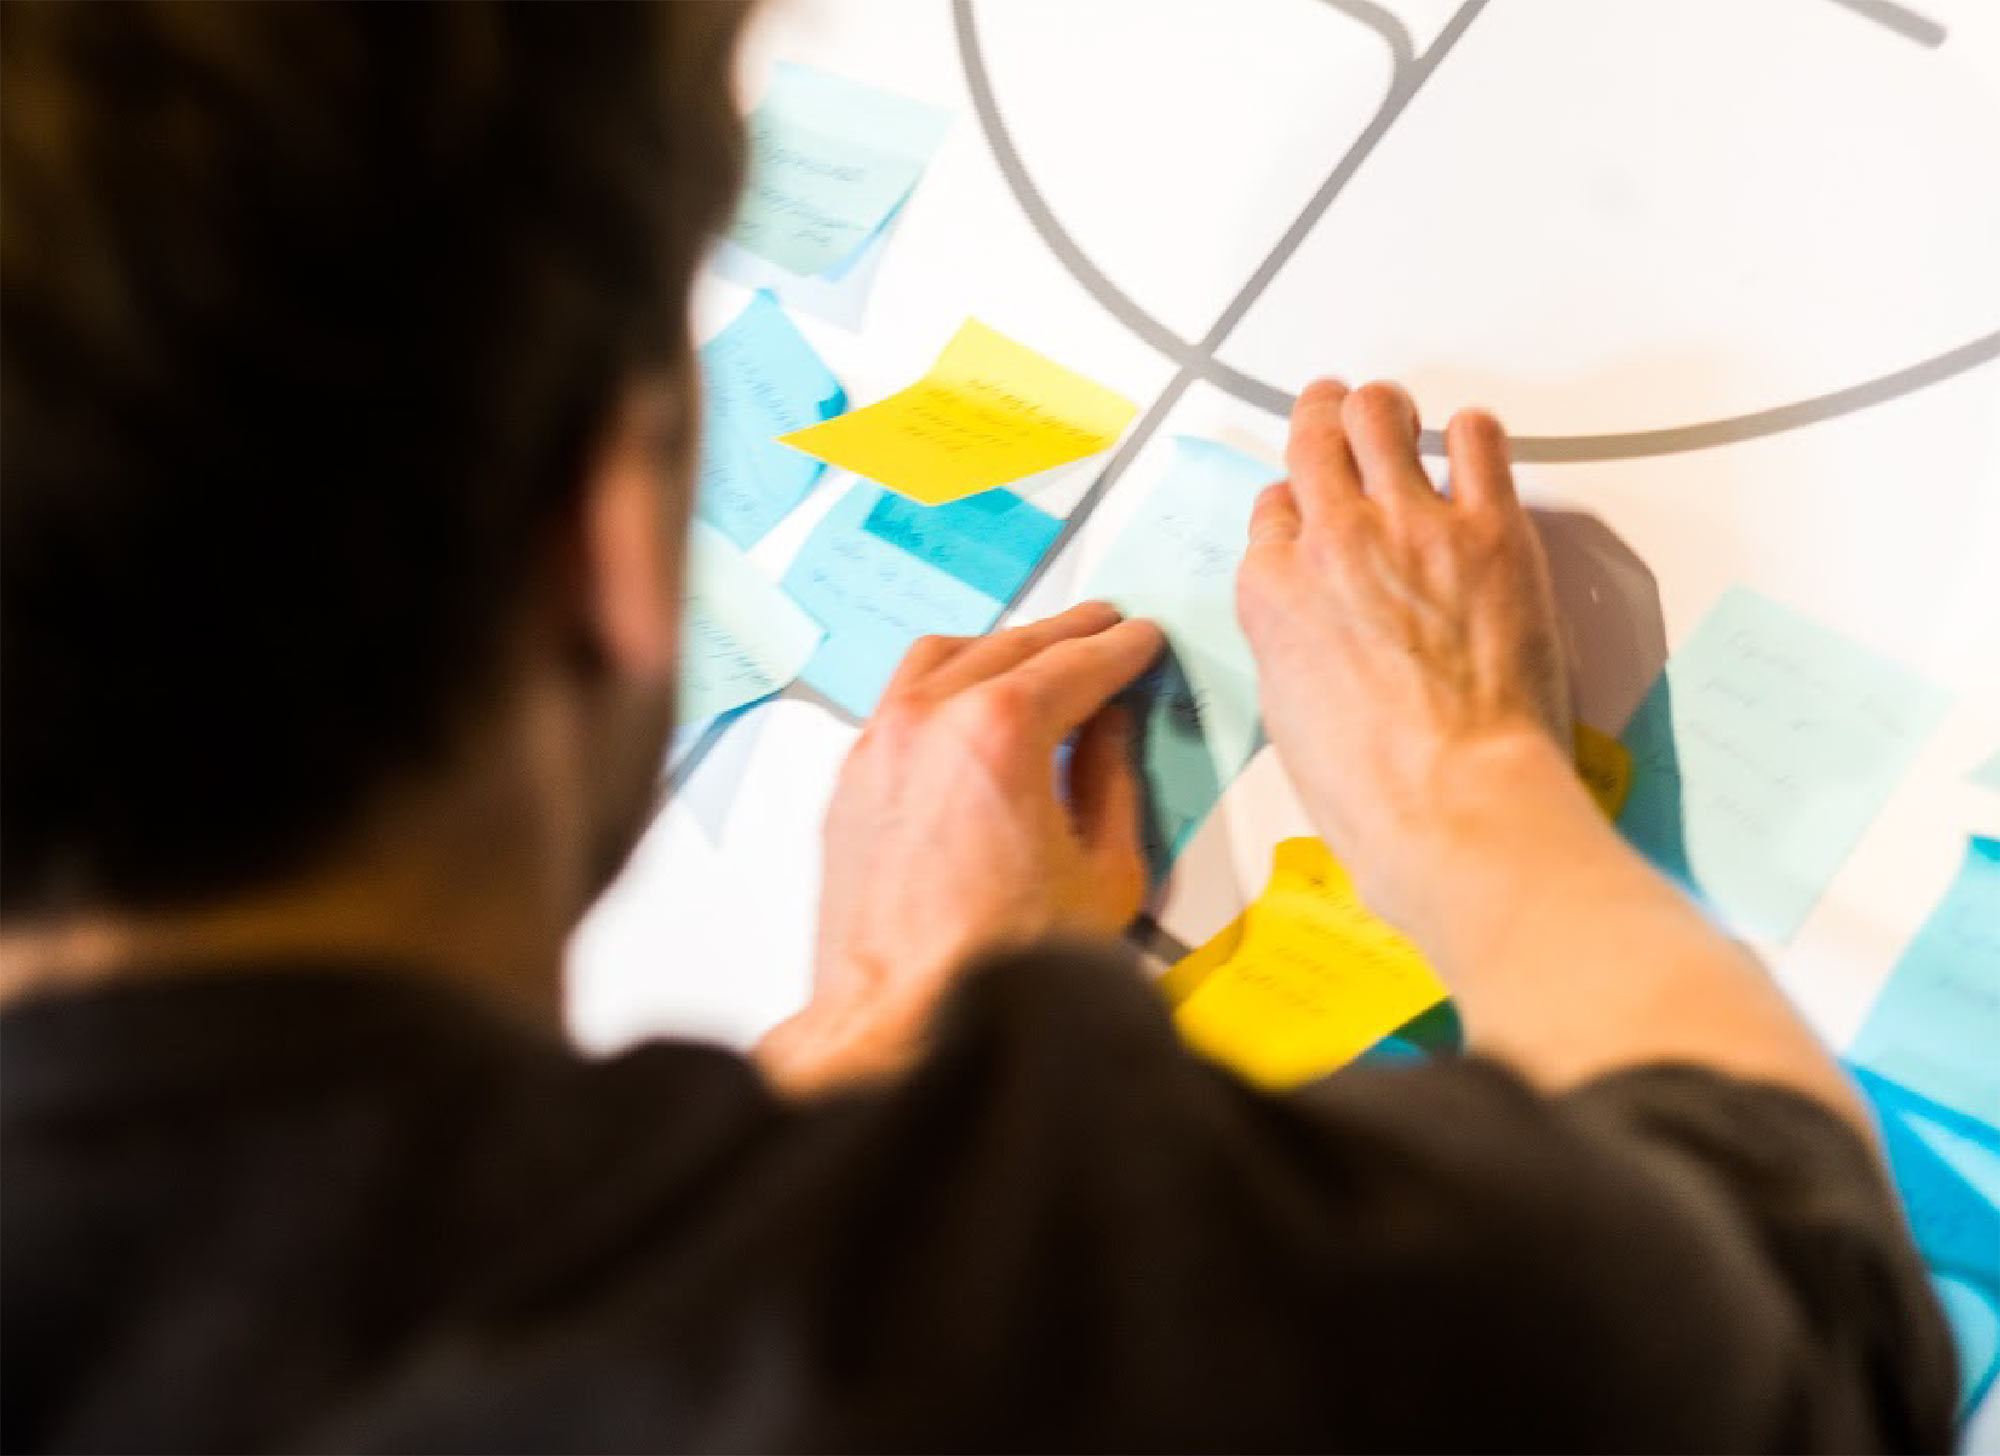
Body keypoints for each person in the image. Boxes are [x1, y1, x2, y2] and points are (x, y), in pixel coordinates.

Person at [0, 2, 1957, 1450]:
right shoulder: (967, 1341)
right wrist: (1460, 776)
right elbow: (1805, 1303)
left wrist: (871, 1024)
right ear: (606, 548)